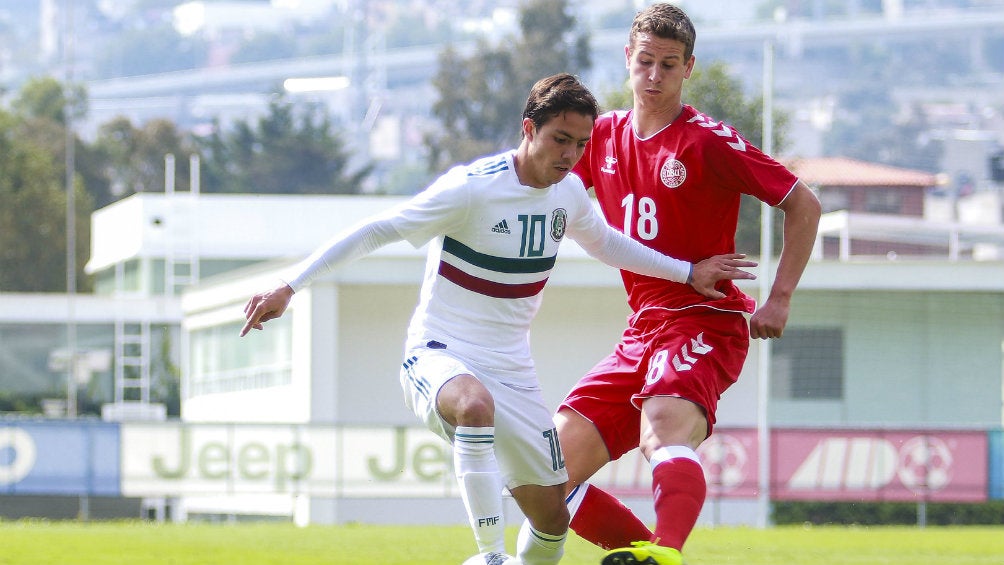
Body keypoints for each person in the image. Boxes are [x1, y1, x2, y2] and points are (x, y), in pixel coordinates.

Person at [240, 73, 755, 565]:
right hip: (439, 353)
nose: (571, 155)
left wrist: (688, 272)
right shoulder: (471, 188)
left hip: (513, 370)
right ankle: (490, 554)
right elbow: (379, 230)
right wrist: (290, 285)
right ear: (528, 128)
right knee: (473, 405)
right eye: (559, 140)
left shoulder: (568, 193)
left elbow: (609, 244)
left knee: (552, 515)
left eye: (580, 144)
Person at [548, 5, 823, 565]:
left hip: (706, 319)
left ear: (688, 68)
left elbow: (803, 202)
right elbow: (547, 189)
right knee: (542, 471)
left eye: (668, 65)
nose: (653, 75)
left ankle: (666, 550)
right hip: (641, 330)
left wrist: (780, 297)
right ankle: (640, 556)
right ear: (628, 59)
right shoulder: (599, 138)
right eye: (645, 61)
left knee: (664, 425)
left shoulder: (706, 142)